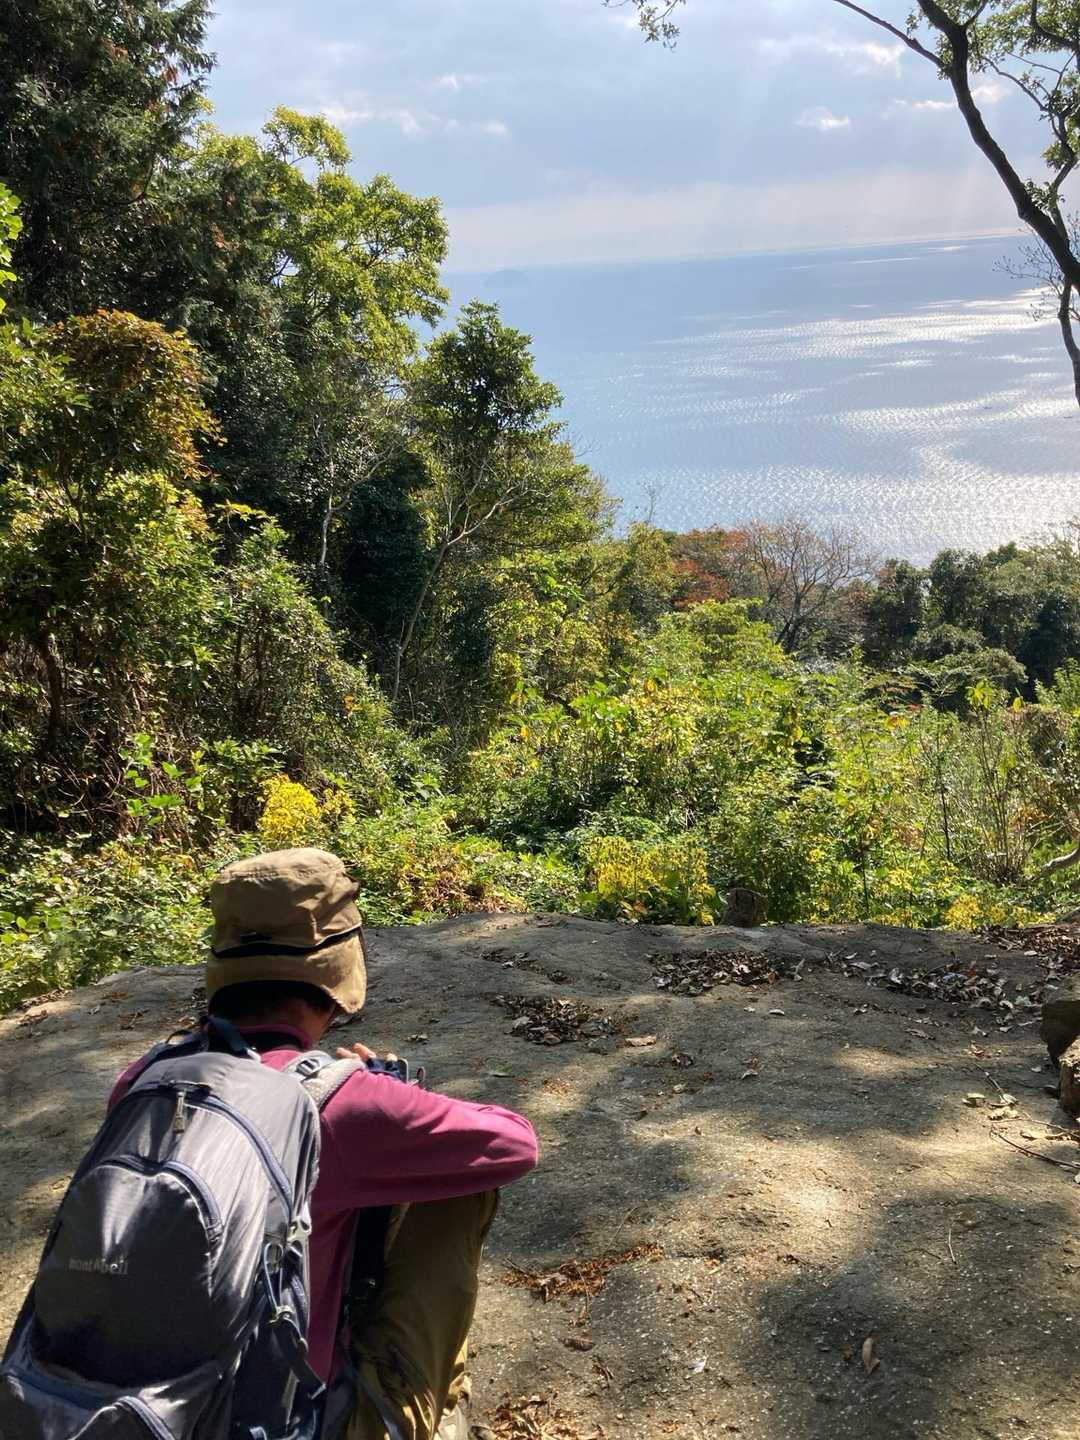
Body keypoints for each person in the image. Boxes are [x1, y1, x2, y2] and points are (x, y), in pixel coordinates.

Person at [109, 846, 539, 1440]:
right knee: (463, 1184)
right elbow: (515, 1144)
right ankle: (437, 1418)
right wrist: (391, 1099)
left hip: (120, 1411)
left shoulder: (141, 1082)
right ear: (338, 971)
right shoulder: (342, 1104)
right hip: (285, 1423)